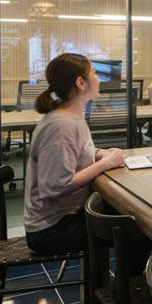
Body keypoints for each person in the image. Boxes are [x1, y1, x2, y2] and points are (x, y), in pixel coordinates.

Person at [24, 53, 130, 254]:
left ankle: (117, 282)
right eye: (94, 73)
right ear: (81, 83)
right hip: (50, 230)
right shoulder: (60, 125)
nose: (98, 79)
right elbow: (55, 187)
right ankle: (125, 284)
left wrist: (101, 153)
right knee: (134, 227)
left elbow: (77, 150)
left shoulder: (72, 117)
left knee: (128, 216)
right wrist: (105, 164)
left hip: (65, 218)